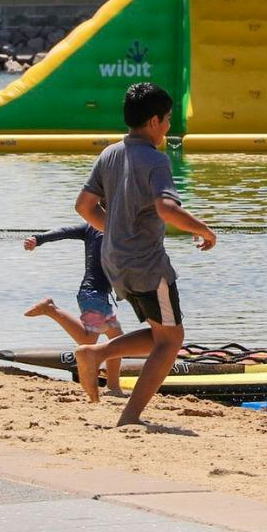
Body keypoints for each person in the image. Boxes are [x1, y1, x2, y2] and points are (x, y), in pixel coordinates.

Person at [71, 83, 218, 427]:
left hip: (114, 260)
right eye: (167, 119)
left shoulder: (109, 153)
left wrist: (115, 231)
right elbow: (166, 208)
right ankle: (130, 415)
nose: (168, 126)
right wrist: (204, 230)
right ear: (154, 121)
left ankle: (96, 353)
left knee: (160, 333)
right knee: (171, 342)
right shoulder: (155, 159)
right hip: (147, 264)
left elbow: (83, 206)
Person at [23, 222, 126, 397]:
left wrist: (38, 239)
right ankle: (52, 310)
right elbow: (63, 231)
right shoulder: (102, 227)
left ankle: (113, 387)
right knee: (89, 341)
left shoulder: (105, 226)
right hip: (93, 294)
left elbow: (63, 231)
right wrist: (38, 238)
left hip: (97, 295)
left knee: (117, 340)